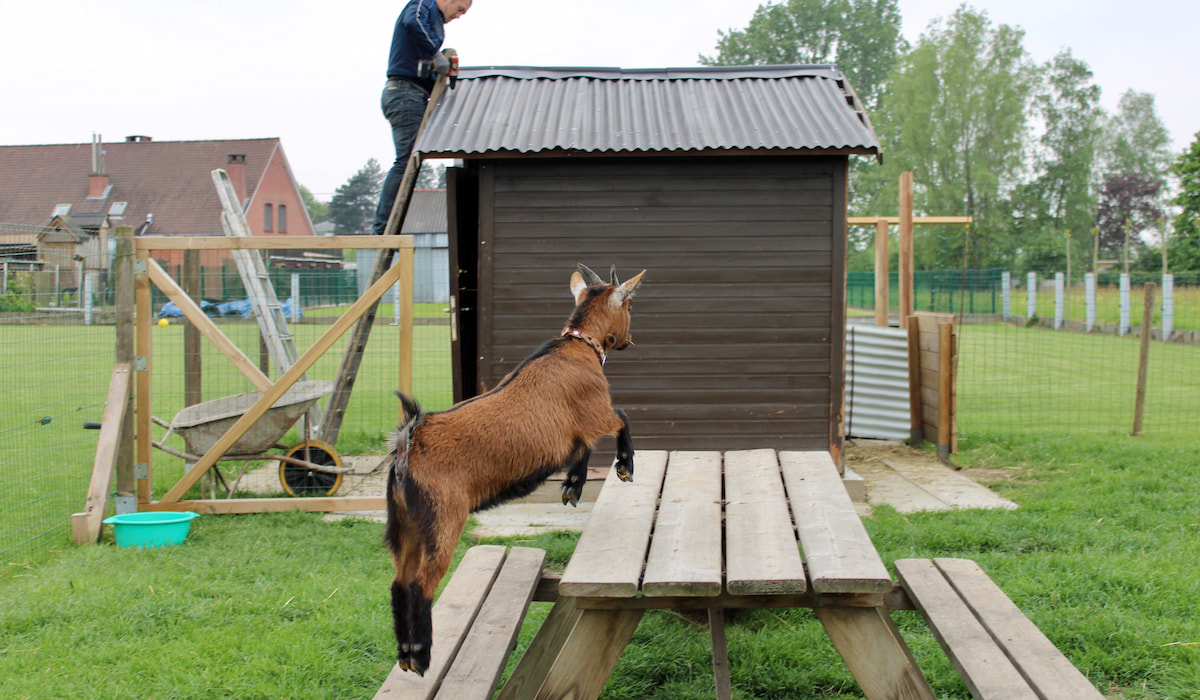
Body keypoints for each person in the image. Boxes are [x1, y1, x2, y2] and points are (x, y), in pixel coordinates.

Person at [372, 0, 471, 235]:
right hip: (404, 93)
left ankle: (389, 226)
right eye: (460, 9)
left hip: (412, 94)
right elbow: (412, 22)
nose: (459, 16)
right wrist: (435, 54)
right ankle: (383, 229)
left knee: (411, 163)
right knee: (406, 162)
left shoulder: (435, 22)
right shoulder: (422, 6)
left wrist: (440, 71)